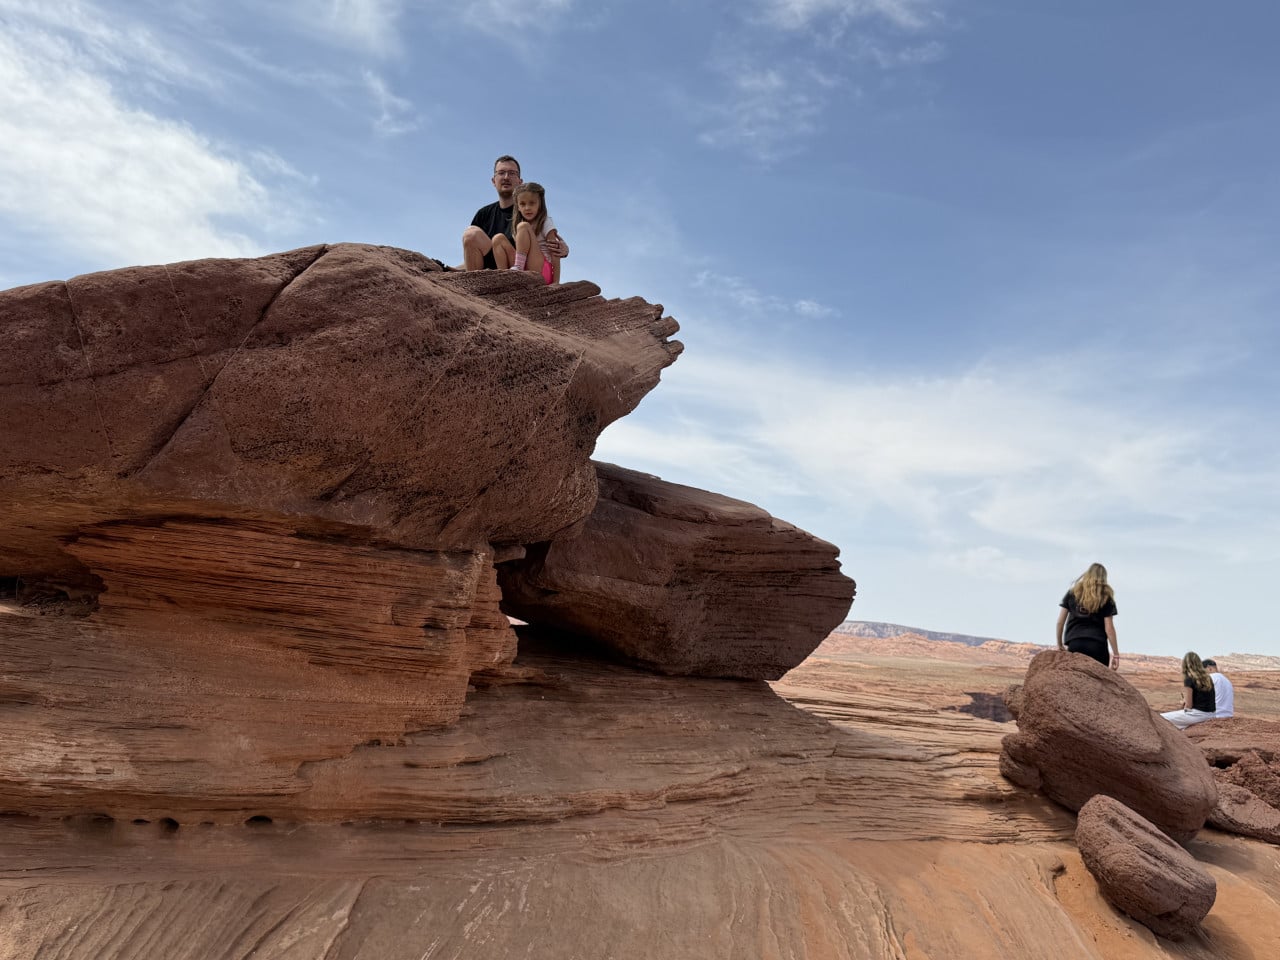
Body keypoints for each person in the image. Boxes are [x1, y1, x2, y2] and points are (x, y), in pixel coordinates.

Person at [461, 155, 568, 271]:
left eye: (512, 173)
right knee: (471, 234)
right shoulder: (483, 214)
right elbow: (472, 255)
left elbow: (546, 243)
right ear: (493, 180)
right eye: (501, 173)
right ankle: (475, 284)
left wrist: (564, 249)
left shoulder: (528, 212)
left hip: (522, 267)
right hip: (490, 268)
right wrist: (448, 269)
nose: (506, 177)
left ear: (520, 182)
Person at [491, 182, 560, 284]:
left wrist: (556, 282)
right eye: (522, 204)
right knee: (498, 239)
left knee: (523, 226)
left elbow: (555, 253)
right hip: (525, 267)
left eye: (532, 203)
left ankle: (518, 267)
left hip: (542, 270)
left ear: (540, 204)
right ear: (518, 206)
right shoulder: (519, 225)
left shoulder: (546, 221)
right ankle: (505, 279)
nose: (527, 208)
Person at [1056, 562, 1119, 670]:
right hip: (1098, 646)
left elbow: (1060, 622)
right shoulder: (1106, 598)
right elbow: (1109, 629)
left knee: (1075, 682)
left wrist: (1060, 644)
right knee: (1097, 684)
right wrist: (1116, 654)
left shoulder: (1072, 593)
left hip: (1075, 644)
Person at [1161, 652, 1218, 729]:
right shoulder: (1208, 678)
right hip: (1211, 714)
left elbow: (1188, 706)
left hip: (1197, 715)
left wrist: (1183, 703)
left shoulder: (1189, 679)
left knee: (1160, 718)